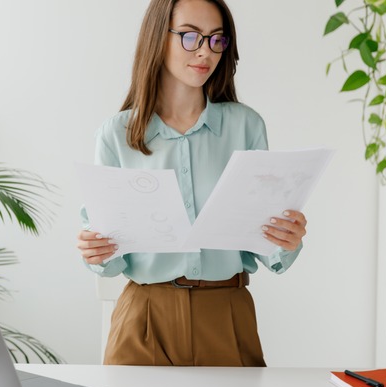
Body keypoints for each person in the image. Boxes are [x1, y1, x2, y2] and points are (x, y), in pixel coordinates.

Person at [77, 0, 307, 367]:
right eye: (190, 37)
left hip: (227, 313)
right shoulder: (115, 134)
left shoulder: (246, 126)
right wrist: (95, 251)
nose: (205, 51)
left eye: (217, 40)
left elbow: (266, 245)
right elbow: (107, 255)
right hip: (144, 315)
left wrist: (287, 240)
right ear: (158, 37)